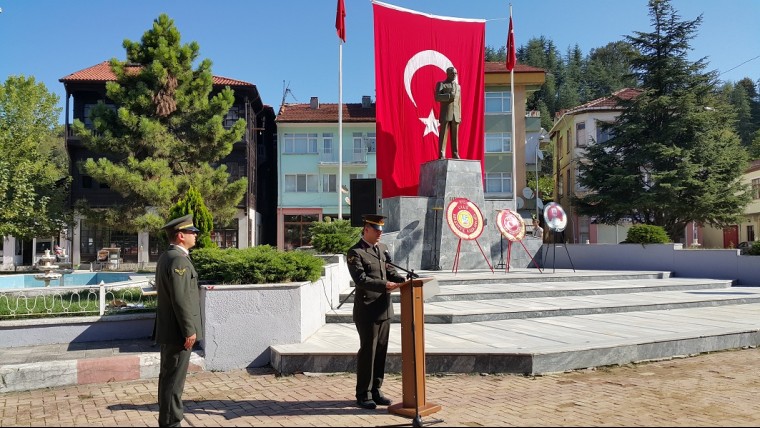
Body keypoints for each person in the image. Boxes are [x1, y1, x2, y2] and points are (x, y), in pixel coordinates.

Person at [346, 214, 407, 410]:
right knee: (368, 353)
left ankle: (376, 391)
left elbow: (390, 270)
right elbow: (361, 280)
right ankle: (363, 393)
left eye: (381, 230)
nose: (380, 233)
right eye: (377, 229)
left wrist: (402, 281)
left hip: (384, 309)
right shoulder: (355, 252)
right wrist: (385, 285)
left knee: (381, 352)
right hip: (367, 310)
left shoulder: (382, 249)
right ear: (366, 229)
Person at [153, 213, 202, 427]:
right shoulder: (178, 260)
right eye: (192, 232)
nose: (196, 236)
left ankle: (168, 420)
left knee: (169, 378)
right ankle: (172, 422)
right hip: (178, 331)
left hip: (171, 329)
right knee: (173, 381)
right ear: (181, 235)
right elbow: (180, 298)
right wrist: (189, 329)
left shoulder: (168, 256)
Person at [435, 66, 461, 159]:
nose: (454, 75)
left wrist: (459, 116)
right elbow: (437, 97)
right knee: (443, 135)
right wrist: (449, 96)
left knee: (455, 136)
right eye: (452, 73)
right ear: (448, 74)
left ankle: (455, 153)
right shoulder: (442, 84)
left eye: (455, 73)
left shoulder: (458, 87)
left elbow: (459, 102)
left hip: (456, 114)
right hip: (446, 113)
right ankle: (442, 153)